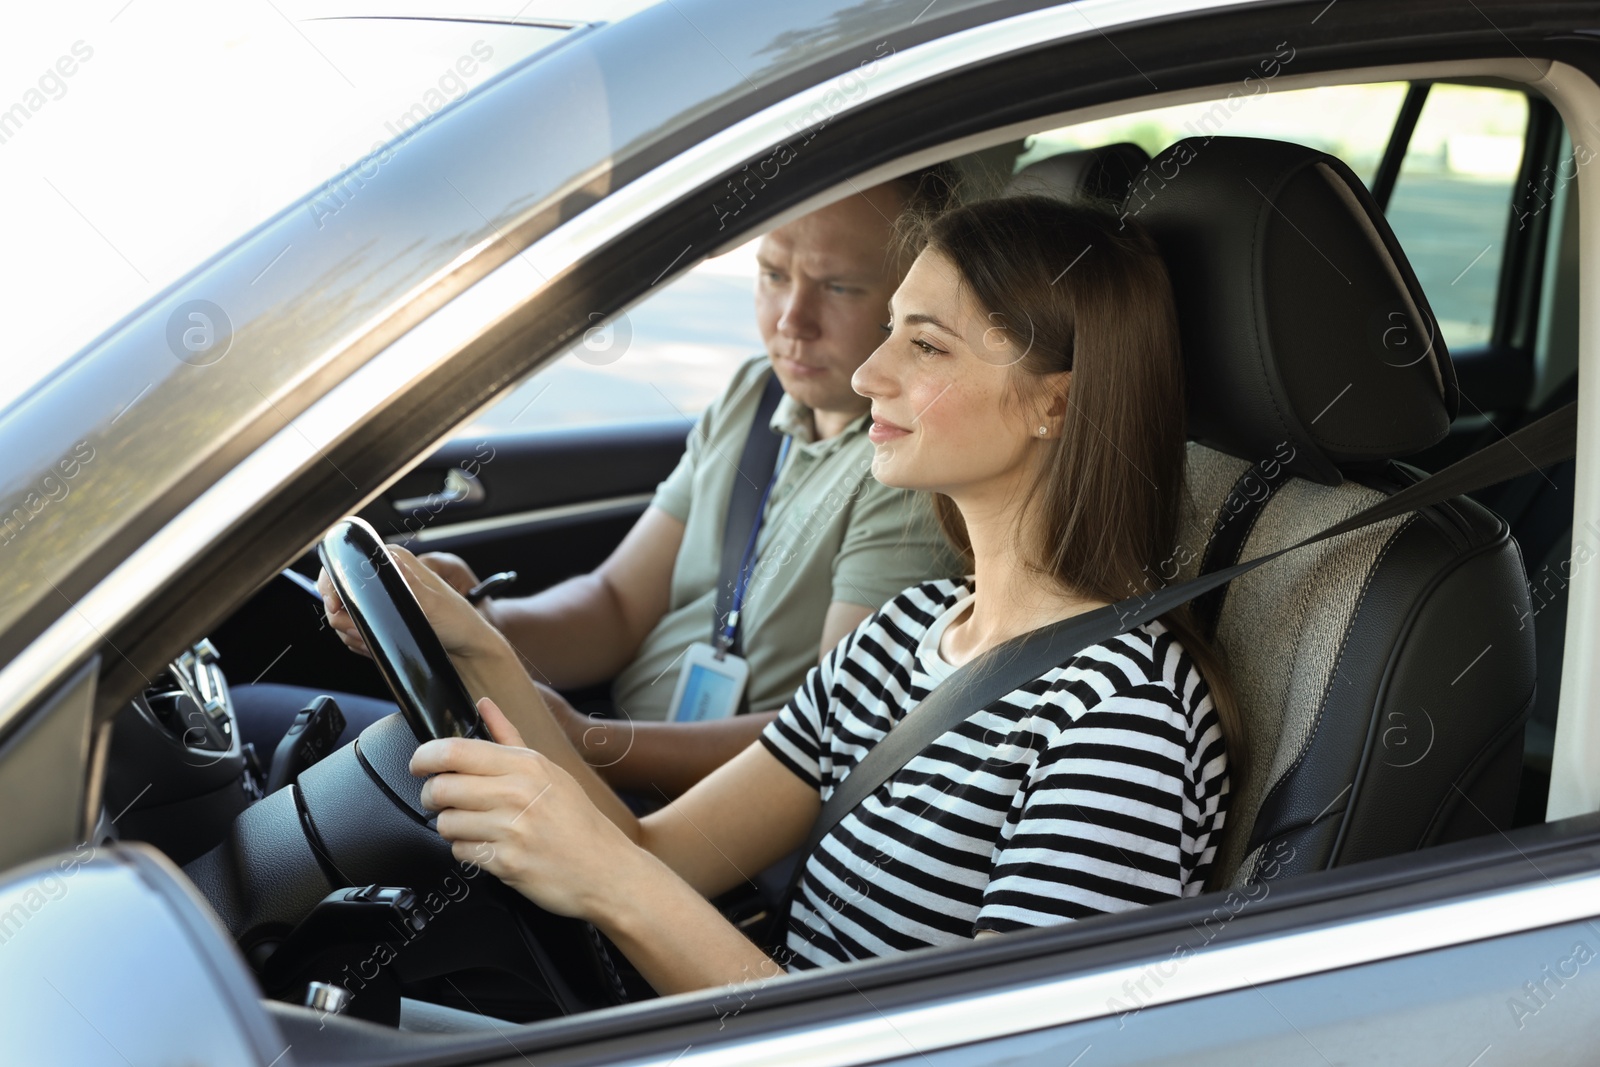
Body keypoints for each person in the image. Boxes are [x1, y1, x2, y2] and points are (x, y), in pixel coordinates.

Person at [321, 194, 1237, 993]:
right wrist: (473, 643)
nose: (873, 373)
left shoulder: (1119, 721)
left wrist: (605, 875)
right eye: (890, 330)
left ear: (1057, 405)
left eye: (924, 344)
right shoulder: (904, 635)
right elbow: (658, 853)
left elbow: (986, 1048)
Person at [238, 169, 964, 797]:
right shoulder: (755, 395)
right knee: (263, 732)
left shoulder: (905, 468)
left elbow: (829, 733)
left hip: (699, 800)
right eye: (773, 274)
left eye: (838, 286)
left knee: (284, 751)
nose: (791, 320)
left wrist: (585, 741)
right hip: (609, 744)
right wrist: (478, 624)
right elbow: (615, 604)